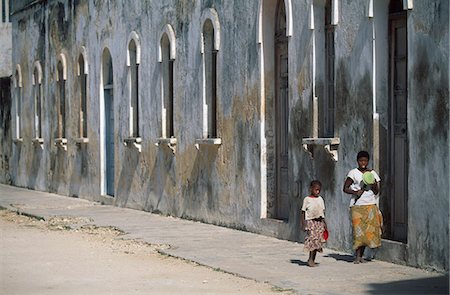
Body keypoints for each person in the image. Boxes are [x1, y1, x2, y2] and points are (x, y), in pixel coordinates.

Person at [343, 150, 382, 264]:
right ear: (357, 161)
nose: (363, 163)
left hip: (370, 204)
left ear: (368, 161)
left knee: (367, 232)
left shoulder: (372, 174)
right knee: (358, 231)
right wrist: (355, 192)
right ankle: (357, 256)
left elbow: (376, 191)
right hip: (357, 206)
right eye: (361, 160)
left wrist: (374, 184)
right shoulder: (353, 173)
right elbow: (345, 188)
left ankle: (362, 256)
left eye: (365, 160)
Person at [301, 180, 327, 267]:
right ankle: (310, 260)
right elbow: (303, 212)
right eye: (316, 190)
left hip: (319, 223)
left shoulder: (320, 199)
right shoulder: (307, 199)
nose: (318, 192)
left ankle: (312, 259)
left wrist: (324, 224)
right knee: (312, 241)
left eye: (319, 190)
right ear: (311, 189)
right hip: (311, 222)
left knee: (317, 242)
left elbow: (322, 212)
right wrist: (304, 224)